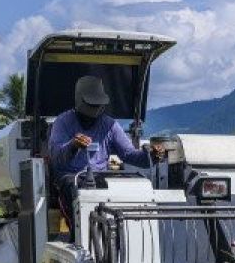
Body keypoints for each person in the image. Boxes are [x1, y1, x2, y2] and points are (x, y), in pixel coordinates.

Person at [47, 76, 163, 230]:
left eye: (98, 105)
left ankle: (112, 236)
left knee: (116, 190)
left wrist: (152, 156)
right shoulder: (63, 122)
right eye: (91, 104)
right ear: (80, 101)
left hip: (99, 178)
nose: (94, 110)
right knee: (76, 189)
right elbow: (56, 158)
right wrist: (73, 146)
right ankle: (80, 234)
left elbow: (128, 154)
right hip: (71, 177)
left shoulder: (110, 125)